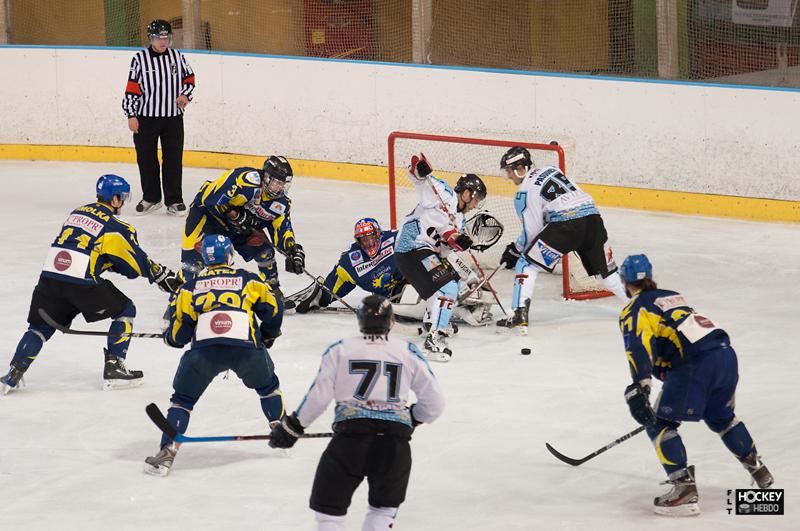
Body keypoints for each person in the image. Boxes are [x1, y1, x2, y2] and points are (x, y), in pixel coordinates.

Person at [268, 294, 445, 531]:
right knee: (383, 511)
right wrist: (411, 418)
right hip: (393, 444)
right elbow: (435, 403)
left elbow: (318, 396)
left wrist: (292, 428)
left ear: (360, 320)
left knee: (329, 511)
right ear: (390, 321)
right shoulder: (407, 351)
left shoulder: (340, 350)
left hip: (350, 440)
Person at [618, 254, 773, 516]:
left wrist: (641, 386)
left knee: (660, 423)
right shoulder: (673, 296)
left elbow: (639, 345)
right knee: (721, 417)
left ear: (624, 281)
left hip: (696, 364)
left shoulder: (635, 308)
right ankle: (760, 473)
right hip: (725, 356)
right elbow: (674, 336)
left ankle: (684, 490)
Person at [1, 175, 182, 394]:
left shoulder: (77, 213)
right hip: (82, 282)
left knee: (39, 328)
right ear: (114, 199)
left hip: (50, 278)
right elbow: (135, 263)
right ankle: (115, 366)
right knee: (126, 309)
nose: (122, 203)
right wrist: (161, 276)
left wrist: (108, 263)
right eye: (121, 198)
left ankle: (13, 373)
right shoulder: (114, 226)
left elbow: (86, 249)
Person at [144, 234, 286, 476]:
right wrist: (269, 334)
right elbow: (274, 307)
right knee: (268, 387)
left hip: (204, 353)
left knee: (182, 401)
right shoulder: (247, 280)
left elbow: (178, 336)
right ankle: (281, 430)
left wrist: (170, 337)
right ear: (230, 255)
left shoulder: (188, 288)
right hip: (247, 350)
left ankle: (167, 451)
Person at [496, 146, 628, 334]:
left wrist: (515, 251)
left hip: (567, 226)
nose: (509, 177)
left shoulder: (524, 192)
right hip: (593, 219)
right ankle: (646, 305)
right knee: (606, 274)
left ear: (519, 168)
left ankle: (519, 315)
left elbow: (533, 234)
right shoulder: (551, 169)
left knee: (527, 263)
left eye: (509, 172)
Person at [394, 153, 487, 361]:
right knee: (448, 286)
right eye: (475, 199)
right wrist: (420, 167)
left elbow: (444, 245)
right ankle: (435, 338)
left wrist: (457, 242)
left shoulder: (460, 220)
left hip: (420, 253)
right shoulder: (444, 194)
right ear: (465, 193)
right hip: (411, 247)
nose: (475, 204)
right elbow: (417, 176)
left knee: (447, 283)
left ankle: (432, 320)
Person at [179, 155, 305, 299]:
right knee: (192, 265)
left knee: (265, 252)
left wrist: (292, 250)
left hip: (238, 229)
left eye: (284, 184)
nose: (280, 188)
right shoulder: (245, 180)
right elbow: (206, 198)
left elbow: (282, 229)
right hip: (207, 218)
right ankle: (180, 300)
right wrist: (233, 213)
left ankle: (272, 290)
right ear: (267, 177)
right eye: (277, 182)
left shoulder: (281, 204)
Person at [122, 19, 195, 216]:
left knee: (173, 159)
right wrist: (131, 114)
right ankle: (152, 198)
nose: (163, 42)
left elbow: (189, 78)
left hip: (173, 118)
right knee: (146, 158)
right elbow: (132, 88)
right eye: (158, 37)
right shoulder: (139, 59)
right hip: (145, 118)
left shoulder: (177, 57)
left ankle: (174, 200)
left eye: (166, 37)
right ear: (151, 38)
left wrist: (185, 96)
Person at [287, 218, 406, 313]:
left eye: (371, 238)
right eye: (364, 240)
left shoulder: (398, 238)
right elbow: (333, 286)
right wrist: (317, 297)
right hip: (390, 300)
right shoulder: (350, 260)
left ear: (379, 234)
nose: (369, 244)